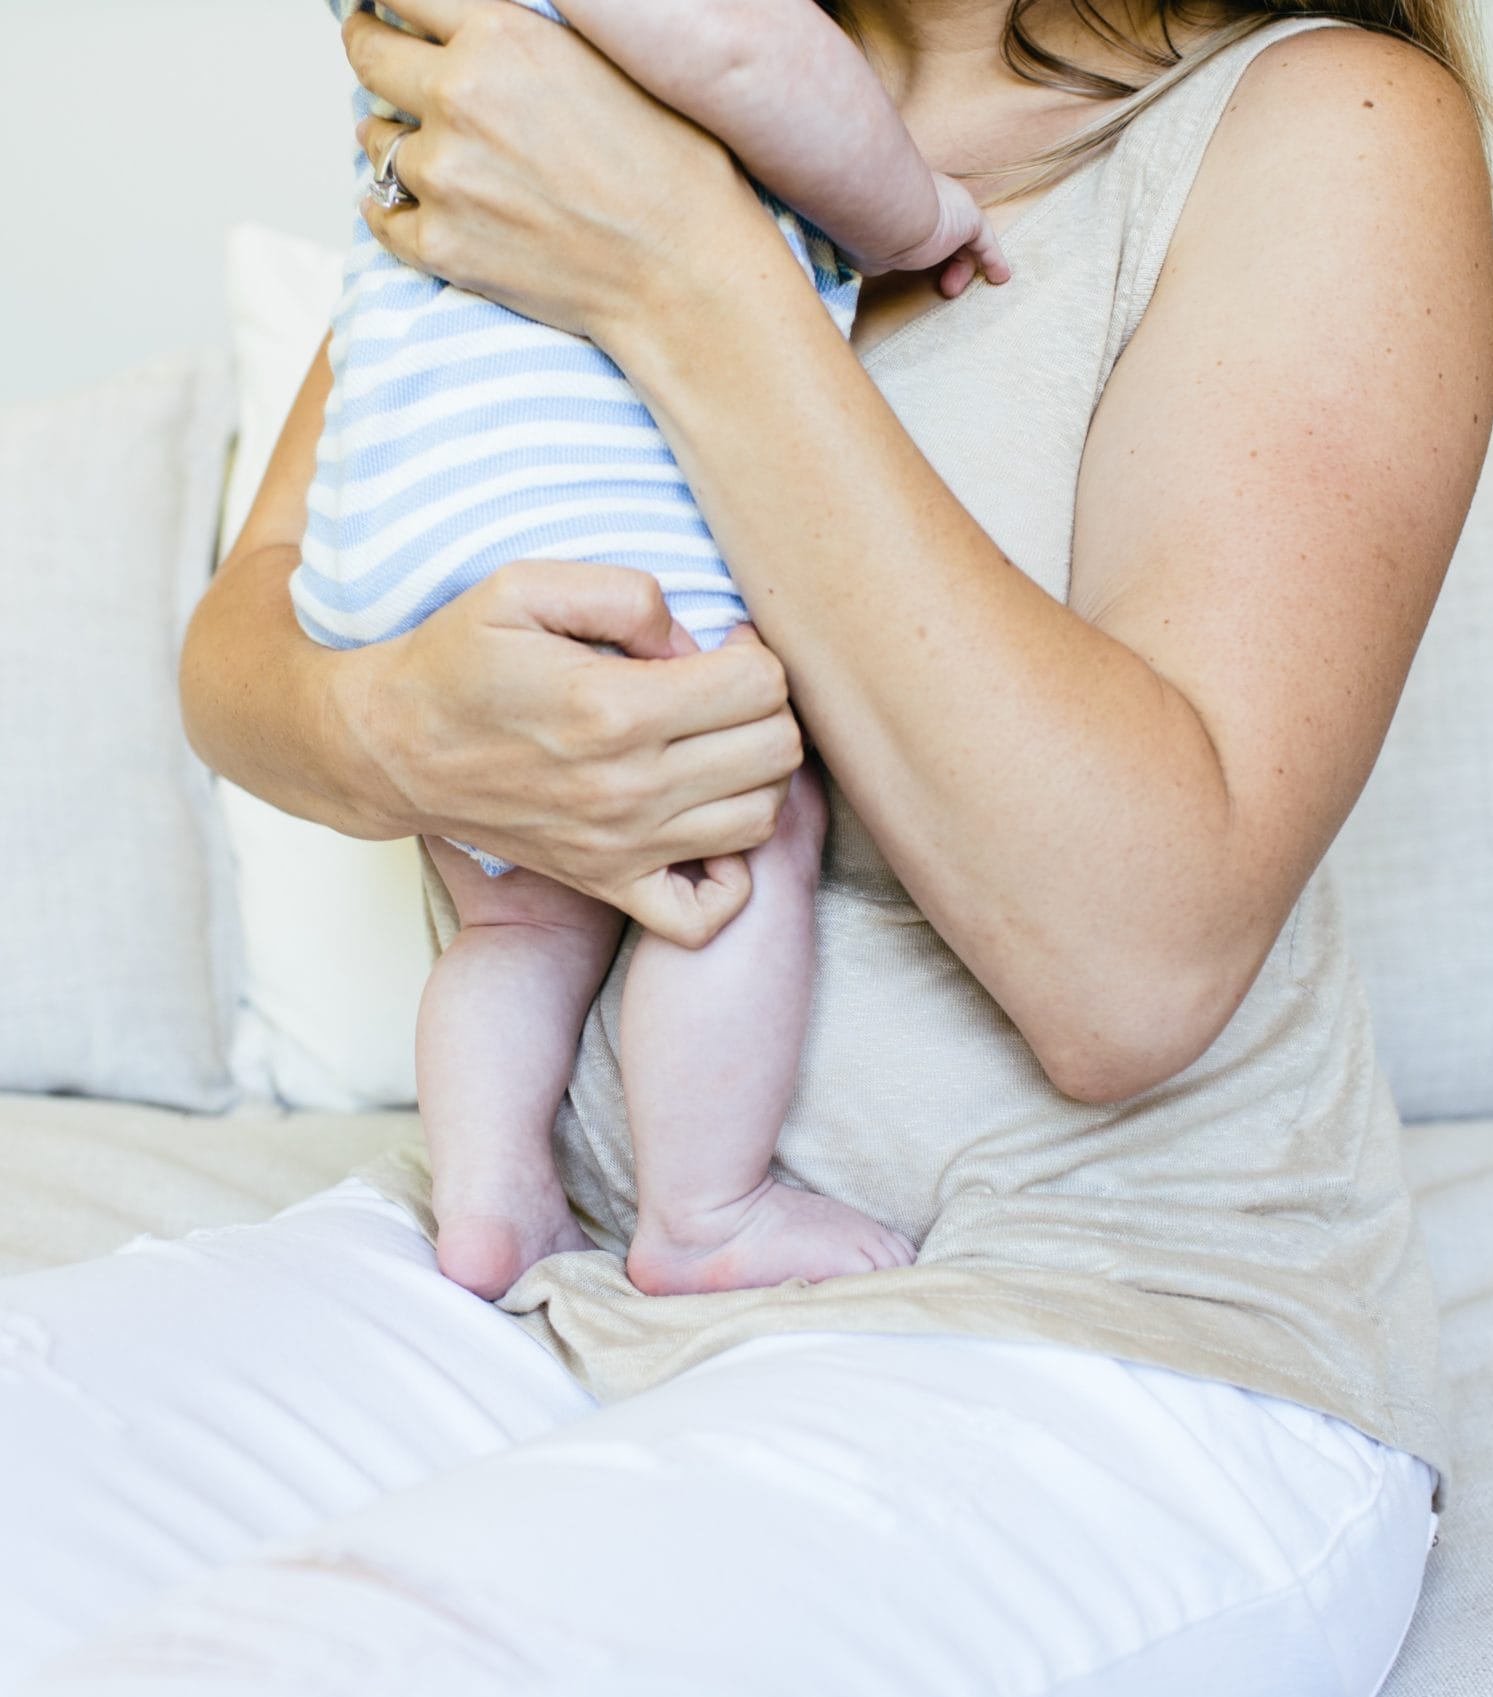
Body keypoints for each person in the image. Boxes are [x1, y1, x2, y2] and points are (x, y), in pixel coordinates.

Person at [0, 1, 1493, 1697]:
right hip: (544, 1262)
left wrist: (679, 265)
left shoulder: (1314, 118)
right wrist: (398, 717)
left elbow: (1127, 966)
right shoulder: (563, 78)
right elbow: (250, 632)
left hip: (1089, 1324)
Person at [303, 0, 1009, 1303]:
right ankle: (707, 1210)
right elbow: (751, 54)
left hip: (394, 508)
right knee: (741, 818)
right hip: (561, 479)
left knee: (517, 909)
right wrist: (913, 218)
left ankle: (489, 1196)